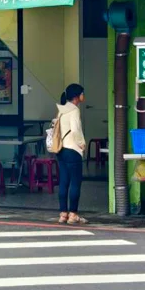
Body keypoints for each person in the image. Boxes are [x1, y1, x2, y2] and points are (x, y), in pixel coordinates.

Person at [55, 83, 87, 225]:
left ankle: (63, 214)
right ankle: (73, 214)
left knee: (64, 182)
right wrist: (82, 143)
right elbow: (75, 130)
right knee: (75, 182)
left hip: (61, 150)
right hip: (73, 150)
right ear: (76, 96)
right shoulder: (74, 110)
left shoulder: (61, 110)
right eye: (82, 93)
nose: (83, 96)